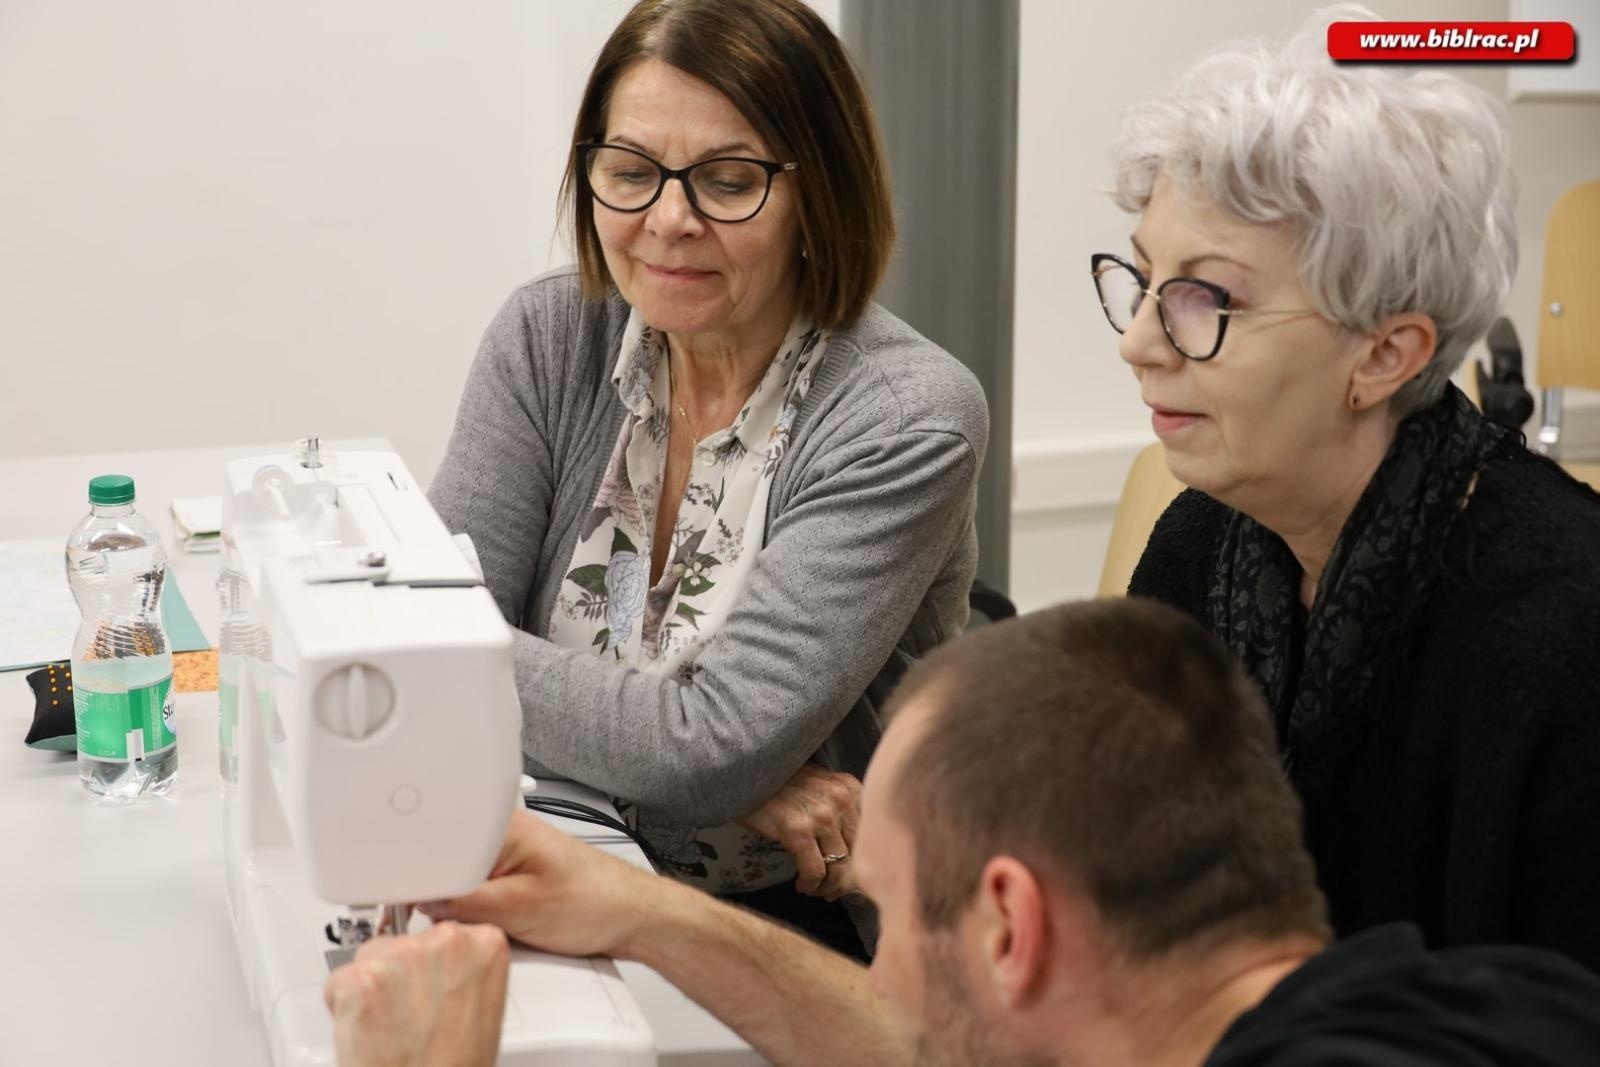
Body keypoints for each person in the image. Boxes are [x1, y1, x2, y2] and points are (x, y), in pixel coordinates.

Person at [324, 599, 1600, 1066]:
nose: (877, 977)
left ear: (1008, 921)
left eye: (883, 917)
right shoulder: (1508, 991)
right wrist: (642, 908)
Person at [426, 0, 988, 949]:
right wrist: (703, 759)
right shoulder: (547, 336)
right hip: (562, 856)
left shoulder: (907, 418)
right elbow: (425, 646)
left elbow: (703, 745)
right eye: (630, 174)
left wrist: (706, 757)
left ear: (823, 192)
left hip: (799, 925)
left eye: (728, 182)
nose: (669, 220)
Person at [1091, 6, 1600, 968]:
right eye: (1146, 278)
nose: (1138, 343)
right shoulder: (1199, 544)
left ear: (1384, 354)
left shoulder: (1565, 626)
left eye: (1208, 298)